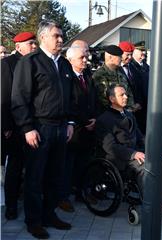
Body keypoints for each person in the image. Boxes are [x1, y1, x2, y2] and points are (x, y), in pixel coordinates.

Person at [11, 20, 75, 239]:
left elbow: (70, 97)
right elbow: (19, 98)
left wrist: (70, 123)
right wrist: (27, 128)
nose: (60, 39)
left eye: (61, 35)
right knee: (35, 177)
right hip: (39, 128)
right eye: (56, 35)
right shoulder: (30, 62)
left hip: (60, 128)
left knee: (55, 176)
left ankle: (49, 215)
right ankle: (34, 221)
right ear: (43, 37)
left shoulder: (65, 65)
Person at [95, 84, 162, 215]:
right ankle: (150, 204)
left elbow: (141, 137)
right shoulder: (104, 119)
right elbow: (110, 147)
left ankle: (161, 201)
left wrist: (156, 149)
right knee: (145, 166)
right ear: (112, 99)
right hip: (118, 158)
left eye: (126, 94)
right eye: (121, 95)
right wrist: (133, 154)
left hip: (136, 153)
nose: (126, 96)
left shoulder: (129, 114)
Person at [1, 31, 37, 220]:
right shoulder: (7, 64)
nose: (34, 46)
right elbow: (5, 97)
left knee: (31, 166)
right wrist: (6, 125)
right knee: (15, 167)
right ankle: (12, 205)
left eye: (34, 43)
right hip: (14, 127)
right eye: (30, 43)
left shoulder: (34, 62)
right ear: (18, 47)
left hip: (33, 123)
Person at [58, 44, 98, 212]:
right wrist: (82, 120)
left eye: (85, 57)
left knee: (84, 163)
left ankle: (83, 192)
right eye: (81, 57)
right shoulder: (65, 77)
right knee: (68, 164)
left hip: (89, 127)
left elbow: (93, 98)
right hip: (74, 128)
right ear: (71, 59)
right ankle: (63, 196)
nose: (85, 60)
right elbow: (69, 102)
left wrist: (94, 118)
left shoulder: (87, 74)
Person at [93, 45, 127, 113]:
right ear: (110, 57)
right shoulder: (99, 74)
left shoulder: (120, 73)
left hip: (123, 112)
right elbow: (103, 98)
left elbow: (128, 92)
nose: (122, 59)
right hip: (108, 113)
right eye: (119, 57)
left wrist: (129, 107)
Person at [118, 41, 142, 112]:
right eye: (127, 55)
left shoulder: (134, 67)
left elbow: (139, 87)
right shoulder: (116, 68)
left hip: (137, 108)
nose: (130, 57)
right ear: (120, 54)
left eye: (131, 55)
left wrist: (139, 103)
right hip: (124, 109)